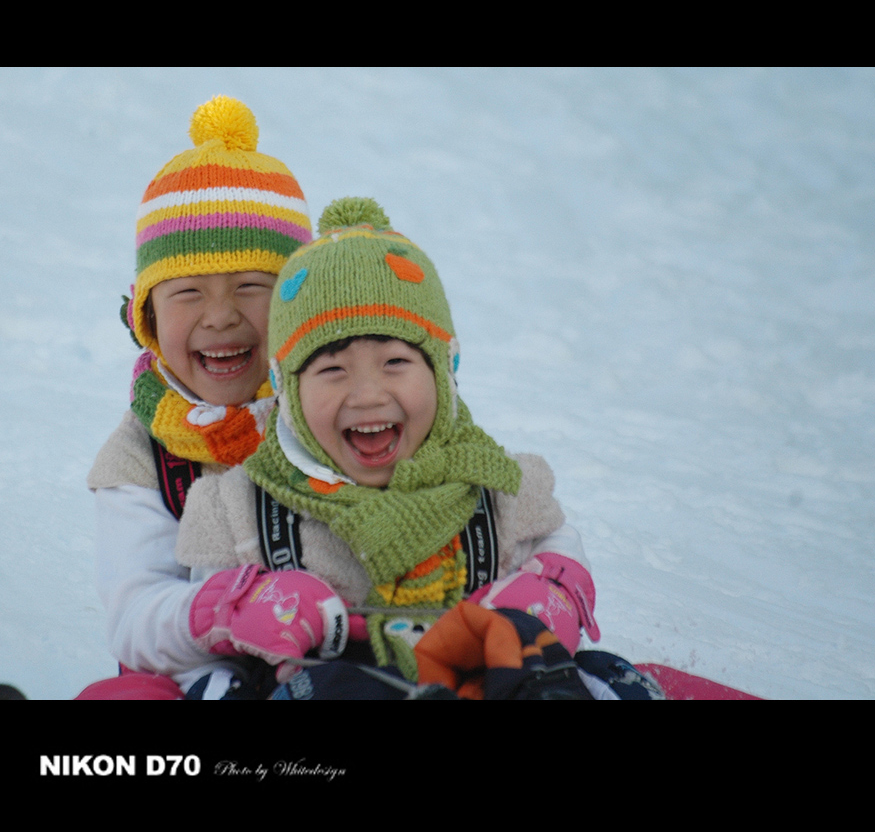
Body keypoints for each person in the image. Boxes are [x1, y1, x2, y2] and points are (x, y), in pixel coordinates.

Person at [174, 197, 663, 699]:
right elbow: (195, 656)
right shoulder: (242, 511)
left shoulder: (497, 488)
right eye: (332, 369)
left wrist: (548, 593)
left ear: (443, 370)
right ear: (287, 390)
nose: (367, 395)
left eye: (395, 363)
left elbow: (556, 544)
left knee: (581, 674)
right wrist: (240, 608)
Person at [75, 95, 313, 700]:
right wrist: (222, 613)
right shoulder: (141, 455)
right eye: (187, 292)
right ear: (148, 316)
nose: (220, 316)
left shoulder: (330, 413)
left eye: (251, 286)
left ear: (297, 303)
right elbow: (135, 618)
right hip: (194, 678)